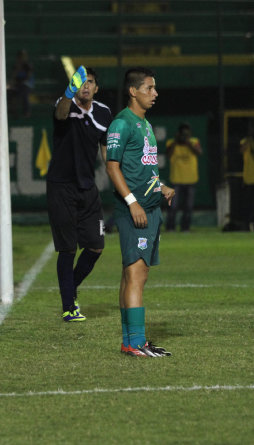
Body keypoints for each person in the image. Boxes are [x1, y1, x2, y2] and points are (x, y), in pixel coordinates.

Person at [105, 67, 175, 357]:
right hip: (135, 210)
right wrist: (132, 202)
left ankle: (132, 341)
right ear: (133, 91)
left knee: (135, 273)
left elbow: (142, 167)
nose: (155, 93)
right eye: (149, 88)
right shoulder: (122, 123)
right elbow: (112, 166)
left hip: (150, 207)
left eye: (155, 88)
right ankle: (135, 343)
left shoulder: (144, 123)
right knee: (136, 274)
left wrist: (161, 186)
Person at [47, 66, 112, 322]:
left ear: (96, 88)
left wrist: (116, 176)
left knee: (96, 246)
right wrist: (68, 92)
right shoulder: (65, 104)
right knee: (68, 249)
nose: (85, 86)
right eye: (81, 82)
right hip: (60, 186)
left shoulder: (105, 113)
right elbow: (61, 114)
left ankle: (70, 286)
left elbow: (106, 149)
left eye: (90, 82)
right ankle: (68, 306)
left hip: (88, 187)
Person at [165, 122, 202, 232]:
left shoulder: (194, 142)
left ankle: (185, 227)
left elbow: (199, 152)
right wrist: (176, 141)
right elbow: (168, 154)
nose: (184, 136)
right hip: (176, 179)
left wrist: (188, 142)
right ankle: (170, 227)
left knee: (188, 207)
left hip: (190, 179)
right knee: (173, 206)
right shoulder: (171, 143)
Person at [8, 49, 34, 118]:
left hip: (26, 85)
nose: (22, 58)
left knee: (24, 93)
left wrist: (19, 81)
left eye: (24, 56)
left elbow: (28, 77)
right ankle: (13, 112)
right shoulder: (16, 66)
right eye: (21, 56)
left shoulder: (28, 65)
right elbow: (13, 77)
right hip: (18, 85)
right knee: (10, 92)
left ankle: (26, 113)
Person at [239, 128, 254, 231]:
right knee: (248, 205)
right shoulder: (245, 142)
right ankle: (246, 225)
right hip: (249, 179)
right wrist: (249, 141)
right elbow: (241, 151)